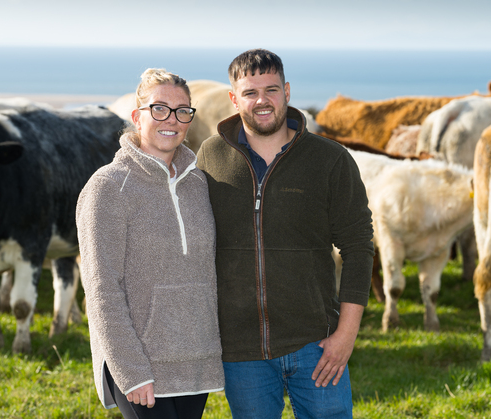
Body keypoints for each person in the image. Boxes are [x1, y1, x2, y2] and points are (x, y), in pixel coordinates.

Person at [196, 49, 374, 418]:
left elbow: (359, 247)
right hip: (242, 351)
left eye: (271, 89)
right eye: (250, 92)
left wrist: (346, 335)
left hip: (317, 343)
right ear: (234, 98)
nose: (262, 101)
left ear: (287, 92)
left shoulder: (330, 158)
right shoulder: (210, 158)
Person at [76, 68, 224, 419]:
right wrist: (131, 370)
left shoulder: (199, 184)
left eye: (182, 111)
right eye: (159, 108)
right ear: (136, 116)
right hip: (141, 366)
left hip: (194, 364)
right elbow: (101, 290)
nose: (171, 120)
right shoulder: (108, 187)